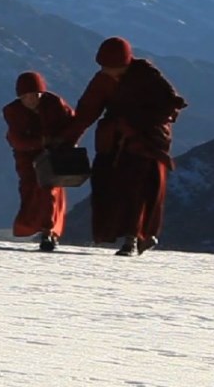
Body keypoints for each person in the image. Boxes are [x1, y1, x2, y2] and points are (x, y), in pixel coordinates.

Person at [63, 37, 187, 256]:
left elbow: (168, 107)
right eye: (105, 67)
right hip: (113, 141)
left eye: (113, 67)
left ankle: (134, 238)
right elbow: (86, 111)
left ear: (126, 63)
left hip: (145, 139)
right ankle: (123, 234)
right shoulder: (102, 80)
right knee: (106, 184)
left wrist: (136, 122)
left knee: (138, 189)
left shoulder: (147, 76)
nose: (109, 71)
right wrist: (69, 139)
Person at [1, 71, 75, 252]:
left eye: (34, 95)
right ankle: (39, 228)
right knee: (30, 191)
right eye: (25, 97)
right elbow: (16, 139)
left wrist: (64, 142)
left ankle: (48, 231)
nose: (30, 100)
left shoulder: (55, 104)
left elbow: (73, 125)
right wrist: (39, 142)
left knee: (50, 191)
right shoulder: (13, 111)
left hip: (53, 156)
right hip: (27, 157)